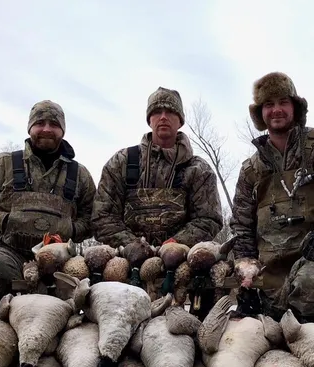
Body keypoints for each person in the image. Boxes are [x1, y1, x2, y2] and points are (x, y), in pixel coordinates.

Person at [230, 72, 314, 326]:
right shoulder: (251, 170)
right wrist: (246, 280)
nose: (276, 110)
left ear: (295, 107)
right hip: (268, 275)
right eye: (268, 104)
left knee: (311, 286)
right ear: (260, 113)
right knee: (246, 329)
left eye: (283, 102)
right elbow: (241, 226)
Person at [0, 100, 96, 314]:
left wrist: (73, 230)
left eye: (54, 124)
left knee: (87, 281)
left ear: (63, 130)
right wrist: (4, 221)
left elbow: (92, 217)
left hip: (61, 258)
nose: (46, 129)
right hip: (8, 250)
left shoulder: (80, 174)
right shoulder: (1, 164)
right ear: (29, 128)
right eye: (40, 123)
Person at [92, 87, 222, 248]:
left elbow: (209, 219)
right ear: (149, 120)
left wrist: (175, 245)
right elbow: (102, 216)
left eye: (170, 111)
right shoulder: (121, 162)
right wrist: (135, 247)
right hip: (125, 257)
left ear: (180, 121)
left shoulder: (199, 170)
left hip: (181, 257)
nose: (163, 117)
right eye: (157, 112)